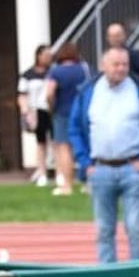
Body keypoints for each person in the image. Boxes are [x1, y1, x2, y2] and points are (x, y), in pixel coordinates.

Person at [69, 47, 139, 264]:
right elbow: (74, 128)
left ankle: (138, 274)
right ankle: (107, 275)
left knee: (136, 229)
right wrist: (85, 162)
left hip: (133, 168)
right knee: (103, 230)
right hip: (100, 168)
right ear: (104, 65)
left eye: (125, 64)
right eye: (116, 64)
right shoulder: (87, 92)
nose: (121, 69)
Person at [45, 42, 91, 196]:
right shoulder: (83, 69)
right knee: (84, 146)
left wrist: (51, 107)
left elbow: (50, 93)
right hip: (82, 111)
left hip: (62, 112)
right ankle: (87, 182)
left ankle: (67, 185)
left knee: (64, 148)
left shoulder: (56, 71)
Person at [17, 45, 53, 186]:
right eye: (45, 55)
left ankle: (58, 171)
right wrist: (26, 112)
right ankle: (42, 171)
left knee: (56, 141)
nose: (48, 58)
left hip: (51, 109)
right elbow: (22, 95)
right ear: (38, 56)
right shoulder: (28, 75)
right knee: (41, 142)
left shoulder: (53, 72)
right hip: (37, 110)